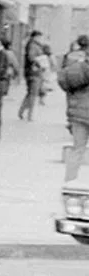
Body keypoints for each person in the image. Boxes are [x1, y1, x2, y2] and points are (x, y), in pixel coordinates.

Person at [58, 41, 89, 183]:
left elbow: (65, 84)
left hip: (78, 115)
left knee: (78, 149)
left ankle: (69, 181)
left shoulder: (76, 69)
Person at [18, 31, 46, 121]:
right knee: (33, 94)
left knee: (30, 93)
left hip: (33, 72)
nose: (40, 39)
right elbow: (31, 57)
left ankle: (21, 111)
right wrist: (40, 62)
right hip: (34, 72)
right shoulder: (33, 46)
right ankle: (29, 115)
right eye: (39, 37)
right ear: (35, 37)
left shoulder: (33, 45)